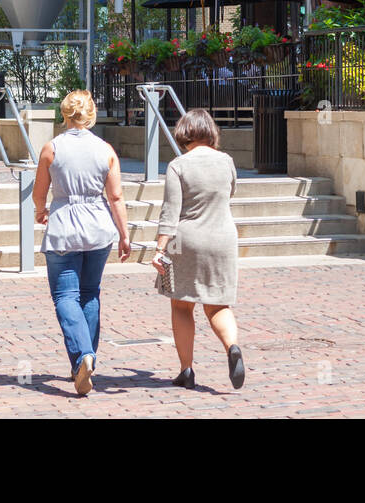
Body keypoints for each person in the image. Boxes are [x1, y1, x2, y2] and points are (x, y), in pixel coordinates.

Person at [33, 90, 131, 397]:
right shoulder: (105, 150)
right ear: (91, 115)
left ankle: (82, 356)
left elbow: (39, 191)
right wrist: (124, 233)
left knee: (65, 294)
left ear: (64, 114)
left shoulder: (52, 148)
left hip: (64, 224)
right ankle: (85, 358)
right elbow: (115, 196)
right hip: (98, 225)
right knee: (90, 293)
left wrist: (40, 210)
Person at [152, 109, 245, 391]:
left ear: (184, 134)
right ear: (211, 132)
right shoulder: (226, 161)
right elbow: (231, 193)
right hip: (223, 237)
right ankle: (232, 347)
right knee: (218, 304)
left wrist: (159, 249)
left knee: (182, 304)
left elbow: (171, 211)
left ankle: (187, 370)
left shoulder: (178, 165)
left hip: (188, 240)